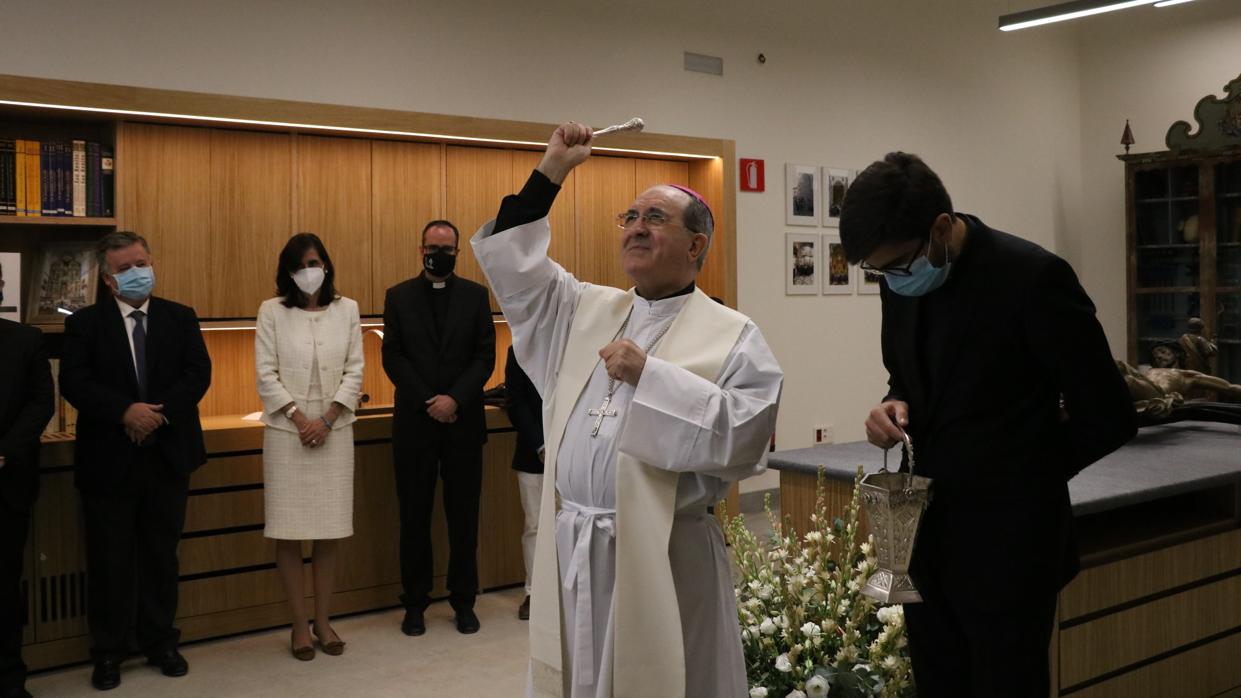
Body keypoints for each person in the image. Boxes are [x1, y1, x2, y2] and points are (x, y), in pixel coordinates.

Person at [471, 123, 783, 698]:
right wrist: (552, 170)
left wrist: (652, 377)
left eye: (655, 219)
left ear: (697, 245)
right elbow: (512, 266)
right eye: (630, 218)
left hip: (666, 555)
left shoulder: (734, 335)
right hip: (578, 544)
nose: (636, 228)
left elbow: (746, 437)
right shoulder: (582, 308)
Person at [839, 152, 1137, 697]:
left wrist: (1020, 475)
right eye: (877, 273)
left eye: (897, 266)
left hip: (1011, 546)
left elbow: (1110, 415)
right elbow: (905, 375)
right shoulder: (901, 279)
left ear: (941, 228)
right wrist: (892, 404)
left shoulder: (1033, 278)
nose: (890, 281)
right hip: (925, 542)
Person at [59, 231, 212, 692]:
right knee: (110, 561)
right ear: (109, 279)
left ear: (152, 261)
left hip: (167, 456)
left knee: (161, 557)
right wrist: (126, 411)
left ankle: (161, 642)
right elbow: (75, 382)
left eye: (140, 263)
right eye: (124, 269)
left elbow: (197, 374)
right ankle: (108, 652)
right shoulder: (84, 324)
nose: (136, 273)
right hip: (109, 459)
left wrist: (155, 415)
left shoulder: (179, 317)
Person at [382, 220, 496, 636]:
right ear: (421, 249)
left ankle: (464, 601)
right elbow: (392, 356)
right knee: (414, 518)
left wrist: (455, 399)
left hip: (463, 424)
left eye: (447, 249)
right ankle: (414, 604)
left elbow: (485, 357)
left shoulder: (475, 296)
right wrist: (430, 401)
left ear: (458, 253)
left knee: (463, 518)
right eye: (433, 247)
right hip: (415, 424)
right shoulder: (398, 297)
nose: (439, 254)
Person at [255, 233, 364, 661]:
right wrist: (302, 420)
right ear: (288, 271)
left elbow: (356, 369)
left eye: (315, 261)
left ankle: (323, 621)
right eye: (300, 264)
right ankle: (299, 626)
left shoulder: (348, 309)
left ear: (327, 265)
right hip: (287, 434)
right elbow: (266, 374)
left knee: (329, 532)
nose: (309, 270)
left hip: (335, 431)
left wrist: (329, 418)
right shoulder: (271, 311)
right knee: (287, 532)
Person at [0, 260, 55, 698]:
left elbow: (41, 402)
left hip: (7, 481)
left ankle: (9, 678)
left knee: (4, 585)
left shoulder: (26, 340)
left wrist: (4, 450)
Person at [503, 346, 544, 621]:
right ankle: (535, 592)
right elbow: (515, 403)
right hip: (533, 452)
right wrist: (541, 445)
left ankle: (572, 591)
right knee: (536, 526)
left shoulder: (580, 342)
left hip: (577, 451)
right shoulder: (519, 350)